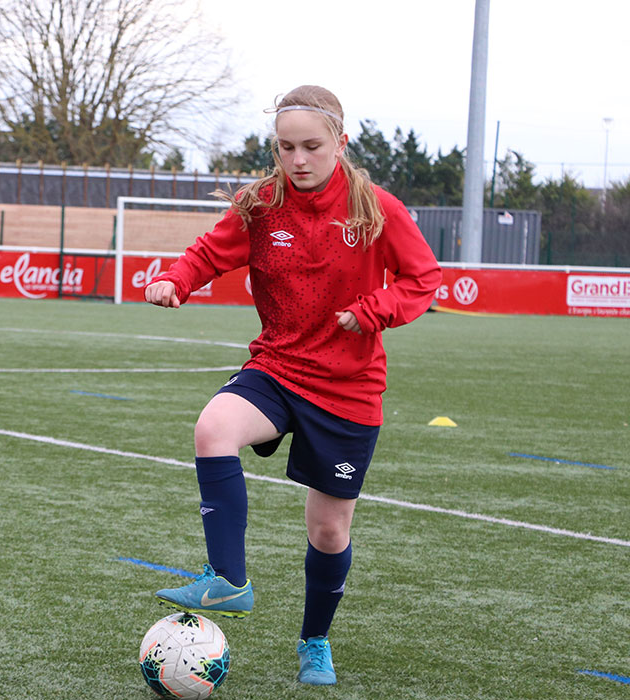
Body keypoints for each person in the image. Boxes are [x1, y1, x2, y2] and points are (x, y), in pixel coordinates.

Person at [144, 85, 441, 686]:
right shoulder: (261, 204)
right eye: (285, 148)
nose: (298, 159)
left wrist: (375, 309)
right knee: (213, 427)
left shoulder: (376, 208)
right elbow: (208, 252)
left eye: (311, 146)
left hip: (348, 388)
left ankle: (314, 641)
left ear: (340, 143)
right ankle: (229, 580)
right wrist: (177, 279)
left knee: (329, 529)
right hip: (278, 366)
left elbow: (423, 278)